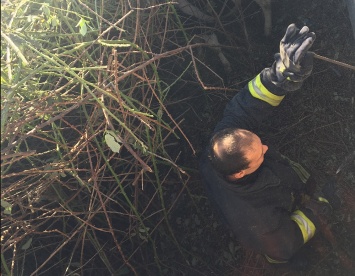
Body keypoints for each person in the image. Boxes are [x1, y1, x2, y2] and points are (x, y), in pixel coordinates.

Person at [200, 24, 334, 264]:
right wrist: (318, 208)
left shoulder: (224, 142)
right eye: (259, 153)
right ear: (241, 172)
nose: (266, 148)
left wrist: (279, 76)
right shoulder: (256, 218)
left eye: (259, 143)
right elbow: (282, 247)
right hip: (279, 244)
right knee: (291, 256)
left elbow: (247, 105)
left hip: (278, 193)